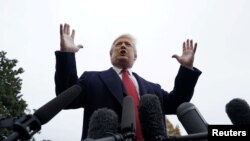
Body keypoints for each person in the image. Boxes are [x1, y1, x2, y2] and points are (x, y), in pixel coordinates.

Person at [54, 23, 202, 141]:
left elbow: (178, 103)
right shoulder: (91, 79)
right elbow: (66, 99)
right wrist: (66, 54)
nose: (123, 46)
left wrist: (186, 69)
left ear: (135, 56)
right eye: (118, 44)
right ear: (111, 54)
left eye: (128, 44)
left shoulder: (153, 89)